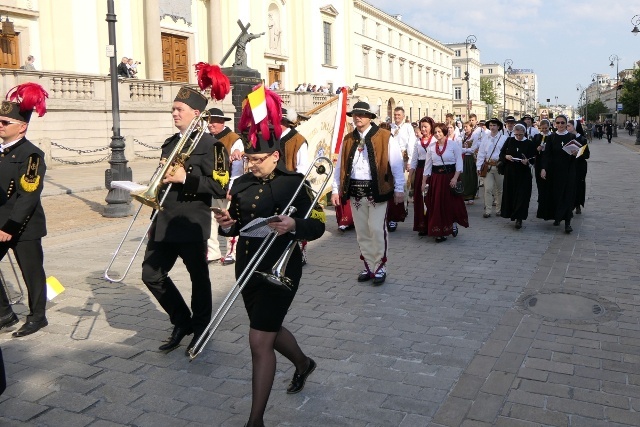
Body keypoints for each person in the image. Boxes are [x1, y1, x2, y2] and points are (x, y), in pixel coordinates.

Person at [215, 123, 325, 427]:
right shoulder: (241, 184)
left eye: (258, 159)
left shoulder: (294, 183)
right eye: (249, 159)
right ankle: (303, 364)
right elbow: (236, 224)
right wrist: (226, 224)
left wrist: (294, 225)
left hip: (281, 269)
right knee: (267, 329)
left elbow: (318, 226)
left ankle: (255, 421)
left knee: (259, 340)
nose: (251, 164)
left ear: (275, 156)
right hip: (248, 266)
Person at [142, 87, 229, 354]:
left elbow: (219, 187)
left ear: (196, 113)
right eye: (173, 109)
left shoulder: (212, 146)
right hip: (165, 220)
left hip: (191, 221)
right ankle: (182, 321)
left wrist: (185, 179)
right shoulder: (169, 144)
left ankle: (201, 328)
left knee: (198, 279)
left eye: (179, 109)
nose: (174, 114)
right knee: (151, 275)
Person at [331, 101, 404, 285]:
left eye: (361, 114)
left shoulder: (385, 136)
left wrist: (399, 188)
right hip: (355, 189)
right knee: (362, 231)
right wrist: (335, 189)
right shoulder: (348, 139)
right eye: (355, 114)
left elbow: (396, 163)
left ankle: (380, 266)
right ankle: (369, 265)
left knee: (377, 228)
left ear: (370, 117)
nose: (357, 117)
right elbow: (339, 166)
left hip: (377, 189)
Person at [0, 83, 49, 338]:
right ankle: (5, 314)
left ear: (22, 126)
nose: (0, 125)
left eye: (5, 122)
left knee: (32, 272)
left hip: (23, 226)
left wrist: (10, 227)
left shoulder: (32, 155)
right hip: (1, 224)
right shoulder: (1, 153)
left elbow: (28, 195)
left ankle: (38, 317)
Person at [206, 107, 243, 266]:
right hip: (211, 185)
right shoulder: (207, 138)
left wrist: (232, 187)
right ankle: (212, 251)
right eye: (208, 121)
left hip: (227, 186)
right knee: (210, 219)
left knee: (228, 217)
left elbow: (238, 166)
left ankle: (232, 251)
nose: (209, 125)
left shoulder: (234, 139)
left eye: (213, 121)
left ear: (221, 122)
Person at [421, 123, 469, 242]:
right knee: (437, 204)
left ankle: (452, 223)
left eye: (439, 132)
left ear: (444, 132)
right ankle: (439, 231)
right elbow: (427, 167)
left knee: (451, 203)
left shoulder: (453, 145)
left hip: (450, 177)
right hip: (437, 178)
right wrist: (423, 182)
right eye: (435, 132)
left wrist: (455, 178)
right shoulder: (431, 147)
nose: (437, 134)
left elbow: (459, 162)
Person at [538, 114, 578, 233]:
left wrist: (576, 154)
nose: (560, 125)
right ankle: (557, 216)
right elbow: (547, 155)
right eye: (558, 123)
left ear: (566, 124)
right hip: (554, 171)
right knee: (555, 195)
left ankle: (567, 223)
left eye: (562, 123)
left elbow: (577, 154)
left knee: (567, 195)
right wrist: (544, 168)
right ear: (555, 124)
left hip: (568, 170)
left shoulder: (571, 136)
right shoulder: (552, 138)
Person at [499, 123, 537, 229]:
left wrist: (527, 161)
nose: (518, 137)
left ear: (524, 133)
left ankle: (519, 219)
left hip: (523, 173)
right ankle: (511, 214)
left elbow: (533, 158)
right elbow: (501, 154)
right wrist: (506, 156)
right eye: (516, 134)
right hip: (510, 172)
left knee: (522, 196)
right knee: (511, 194)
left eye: (520, 135)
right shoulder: (509, 140)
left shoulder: (529, 143)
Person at [387, 106, 414, 232]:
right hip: (391, 158)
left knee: (403, 184)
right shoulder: (390, 127)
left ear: (403, 116)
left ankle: (403, 207)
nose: (397, 117)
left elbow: (411, 144)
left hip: (403, 158)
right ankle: (394, 209)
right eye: (395, 115)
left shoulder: (408, 127)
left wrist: (409, 161)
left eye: (399, 115)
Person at [408, 116, 435, 236]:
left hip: (432, 172)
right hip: (420, 171)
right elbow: (414, 159)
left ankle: (432, 224)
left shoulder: (435, 139)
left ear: (431, 127)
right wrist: (410, 175)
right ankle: (422, 225)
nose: (423, 129)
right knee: (420, 199)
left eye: (425, 127)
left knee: (431, 198)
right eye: (422, 127)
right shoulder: (418, 142)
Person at [476, 118, 507, 218]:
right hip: (488, 166)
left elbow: (506, 153)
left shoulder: (504, 138)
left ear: (498, 127)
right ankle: (488, 210)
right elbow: (481, 153)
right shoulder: (486, 138)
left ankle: (499, 209)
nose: (492, 127)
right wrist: (478, 166)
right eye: (491, 125)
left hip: (499, 166)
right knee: (488, 189)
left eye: (494, 125)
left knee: (500, 189)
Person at [567, 119, 590, 215]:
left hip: (579, 166)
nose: (567, 127)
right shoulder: (566, 137)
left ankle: (578, 205)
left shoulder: (582, 139)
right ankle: (570, 205)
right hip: (569, 165)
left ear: (574, 127)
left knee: (579, 185)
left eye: (569, 126)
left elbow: (587, 155)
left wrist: (577, 153)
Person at [532, 119, 552, 212]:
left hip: (549, 163)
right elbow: (532, 150)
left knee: (548, 185)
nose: (544, 130)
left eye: (546, 128)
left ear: (549, 127)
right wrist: (537, 149)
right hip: (539, 163)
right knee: (540, 185)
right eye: (542, 128)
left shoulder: (552, 136)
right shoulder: (537, 136)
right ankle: (541, 205)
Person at [460, 121, 479, 205]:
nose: (465, 128)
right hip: (463, 158)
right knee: (463, 177)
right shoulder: (462, 135)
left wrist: (463, 150)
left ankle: (471, 196)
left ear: (471, 127)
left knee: (471, 176)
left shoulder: (474, 136)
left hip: (470, 158)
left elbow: (473, 149)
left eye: (467, 127)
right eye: (464, 127)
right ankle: (464, 195)